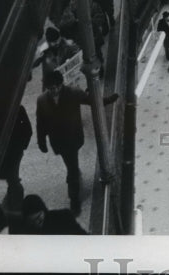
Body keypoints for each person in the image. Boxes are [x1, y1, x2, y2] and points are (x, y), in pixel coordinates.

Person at [35, 70, 118, 215]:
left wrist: (108, 100)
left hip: (72, 139)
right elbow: (40, 123)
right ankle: (73, 178)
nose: (53, 91)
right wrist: (41, 141)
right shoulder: (42, 101)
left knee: (72, 167)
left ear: (61, 85)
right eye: (50, 88)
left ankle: (74, 198)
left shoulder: (73, 93)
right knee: (71, 165)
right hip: (58, 141)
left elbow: (91, 100)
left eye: (55, 87)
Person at [0, 105, 32, 211]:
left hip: (14, 152)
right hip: (12, 151)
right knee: (11, 177)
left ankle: (17, 207)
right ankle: (13, 196)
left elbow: (28, 129)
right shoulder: (17, 108)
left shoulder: (17, 108)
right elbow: (28, 129)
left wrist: (22, 146)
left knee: (12, 178)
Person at [14, 194, 88, 235]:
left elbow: (82, 236)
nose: (37, 223)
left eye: (38, 217)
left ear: (44, 211)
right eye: (32, 221)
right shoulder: (25, 230)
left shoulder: (63, 218)